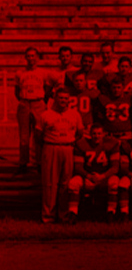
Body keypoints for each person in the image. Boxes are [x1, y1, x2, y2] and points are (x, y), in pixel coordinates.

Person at [36, 89, 84, 223]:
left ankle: (63, 215)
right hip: (51, 147)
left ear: (69, 100)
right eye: (61, 98)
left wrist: (70, 140)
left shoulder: (74, 114)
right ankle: (48, 216)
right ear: (55, 99)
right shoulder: (46, 115)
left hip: (68, 148)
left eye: (66, 98)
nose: (63, 101)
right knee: (50, 183)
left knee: (65, 183)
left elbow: (80, 133)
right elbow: (38, 136)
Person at [67, 124, 121, 223]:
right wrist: (89, 176)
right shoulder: (81, 144)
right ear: (90, 134)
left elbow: (115, 167)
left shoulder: (112, 143)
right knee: (73, 183)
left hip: (104, 177)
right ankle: (73, 214)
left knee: (114, 182)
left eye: (99, 134)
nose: (97, 136)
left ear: (103, 134)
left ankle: (111, 213)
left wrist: (102, 176)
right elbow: (78, 167)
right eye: (94, 134)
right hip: (88, 177)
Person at [15, 47, 52, 174]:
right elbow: (16, 91)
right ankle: (23, 163)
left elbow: (47, 90)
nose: (31, 58)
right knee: (24, 135)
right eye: (28, 56)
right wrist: (24, 101)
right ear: (25, 58)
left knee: (39, 134)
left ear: (37, 57)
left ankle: (39, 163)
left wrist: (41, 102)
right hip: (24, 102)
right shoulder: (20, 73)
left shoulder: (43, 73)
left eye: (33, 56)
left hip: (38, 102)